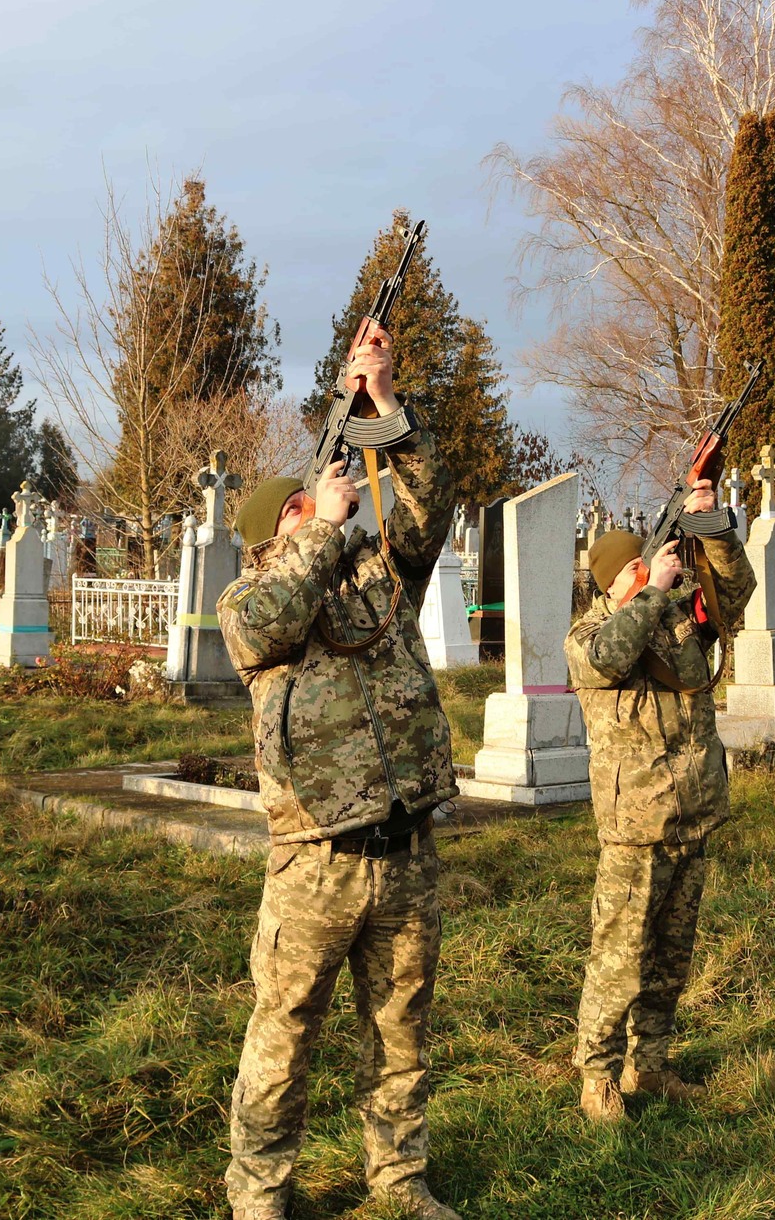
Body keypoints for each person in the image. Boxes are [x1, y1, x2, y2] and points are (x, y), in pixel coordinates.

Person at [216, 327, 461, 1220]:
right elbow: (270, 623)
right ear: (267, 537)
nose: (320, 512)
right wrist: (318, 528)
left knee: (402, 1034)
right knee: (283, 1039)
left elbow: (428, 505)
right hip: (314, 855)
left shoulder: (380, 574)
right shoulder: (248, 599)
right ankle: (261, 1195)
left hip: (404, 847)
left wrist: (384, 407)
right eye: (293, 511)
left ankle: (400, 1181)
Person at [566, 489, 755, 1123]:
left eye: (643, 568)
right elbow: (610, 658)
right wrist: (652, 591)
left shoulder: (673, 618)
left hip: (694, 810)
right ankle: (596, 1076)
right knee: (619, 958)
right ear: (609, 583)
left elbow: (735, 593)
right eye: (632, 573)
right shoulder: (588, 636)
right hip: (635, 824)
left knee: (671, 956)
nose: (645, 578)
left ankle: (649, 1066)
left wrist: (709, 525)